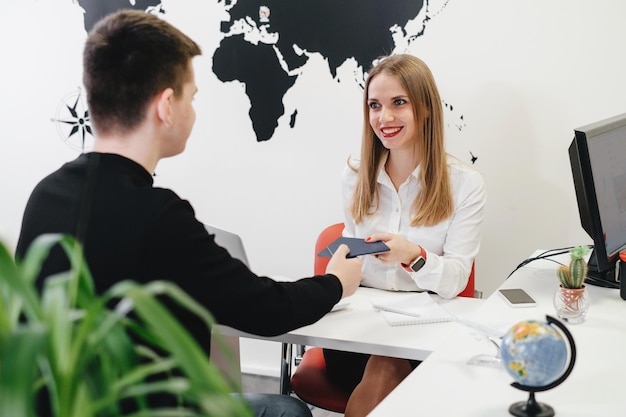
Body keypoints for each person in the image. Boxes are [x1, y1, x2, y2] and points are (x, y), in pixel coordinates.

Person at [15, 10, 363, 417]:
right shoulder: (159, 216)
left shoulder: (47, 193)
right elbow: (268, 310)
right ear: (166, 105)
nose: (193, 112)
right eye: (191, 97)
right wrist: (335, 283)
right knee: (289, 412)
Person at [322, 54, 486, 416]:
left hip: (423, 337)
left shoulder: (465, 184)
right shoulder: (354, 177)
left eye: (399, 103)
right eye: (375, 105)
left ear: (425, 108)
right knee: (382, 363)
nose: (384, 118)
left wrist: (414, 255)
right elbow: (351, 262)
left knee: (388, 364)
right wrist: (342, 269)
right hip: (359, 332)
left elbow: (457, 277)